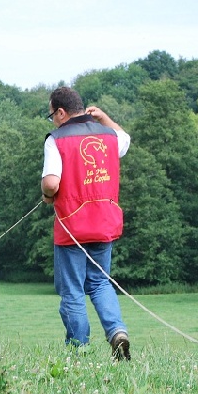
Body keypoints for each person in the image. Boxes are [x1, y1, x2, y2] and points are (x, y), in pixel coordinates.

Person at [41, 86, 131, 360]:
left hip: (72, 227)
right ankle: (116, 331)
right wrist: (104, 118)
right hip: (104, 223)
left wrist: (47, 195)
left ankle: (79, 348)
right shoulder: (108, 135)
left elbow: (51, 181)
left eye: (51, 115)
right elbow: (125, 139)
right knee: (100, 283)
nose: (52, 121)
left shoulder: (56, 140)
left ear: (60, 112)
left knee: (72, 289)